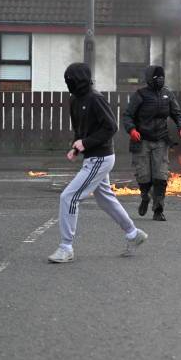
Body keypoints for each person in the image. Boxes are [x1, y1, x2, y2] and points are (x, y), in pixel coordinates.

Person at [48, 63, 147, 263]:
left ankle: (66, 247)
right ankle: (133, 234)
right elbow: (80, 129)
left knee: (68, 197)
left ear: (81, 80)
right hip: (93, 157)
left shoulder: (95, 99)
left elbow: (111, 127)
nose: (69, 83)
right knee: (105, 199)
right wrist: (76, 148)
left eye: (71, 80)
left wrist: (85, 143)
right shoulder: (74, 100)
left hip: (101, 158)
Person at [122, 65, 181, 221]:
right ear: (149, 79)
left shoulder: (168, 94)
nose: (160, 79)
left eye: (162, 77)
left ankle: (158, 209)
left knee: (161, 176)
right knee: (144, 176)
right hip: (142, 140)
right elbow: (127, 116)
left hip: (161, 140)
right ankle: (145, 197)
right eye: (157, 77)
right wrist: (132, 130)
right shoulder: (140, 95)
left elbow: (177, 114)